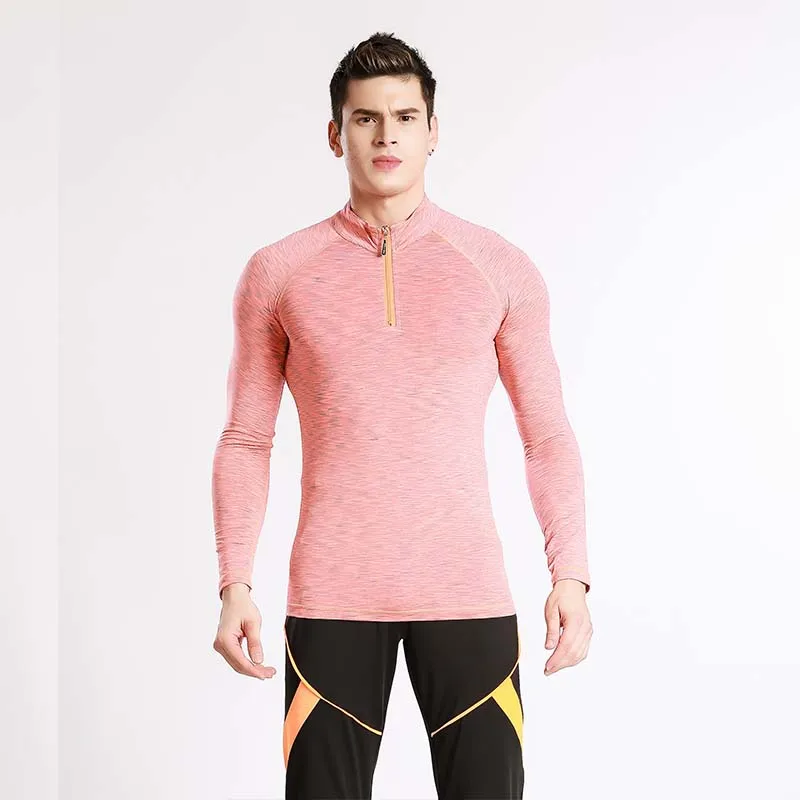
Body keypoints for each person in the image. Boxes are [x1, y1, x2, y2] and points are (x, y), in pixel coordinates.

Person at [211, 31, 593, 800]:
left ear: (433, 131)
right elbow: (247, 439)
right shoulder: (278, 273)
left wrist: (572, 576)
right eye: (366, 118)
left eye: (405, 117)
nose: (387, 135)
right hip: (332, 599)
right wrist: (234, 584)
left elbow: (546, 436)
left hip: (468, 595)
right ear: (335, 134)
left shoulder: (498, 267)